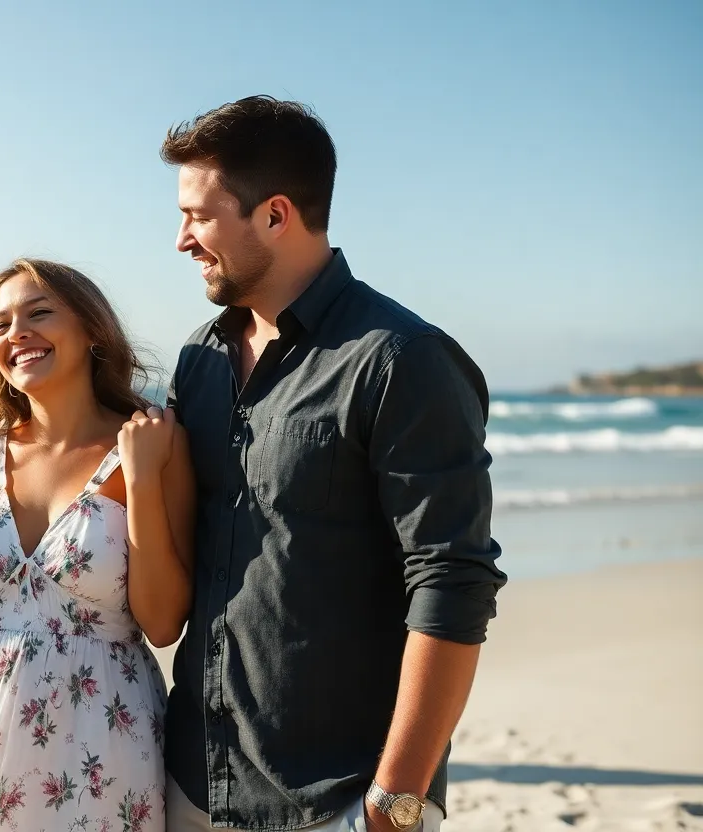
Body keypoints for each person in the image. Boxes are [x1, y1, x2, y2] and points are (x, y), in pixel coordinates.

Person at [158, 96, 508, 832]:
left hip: (340, 799)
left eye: (198, 215)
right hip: (193, 782)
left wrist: (397, 800)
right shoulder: (198, 360)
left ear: (276, 215)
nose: (181, 239)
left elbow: (453, 580)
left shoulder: (401, 362)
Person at [0, 259, 194, 831]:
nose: (15, 333)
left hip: (100, 732)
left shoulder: (148, 445)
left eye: (38, 313)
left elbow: (163, 622)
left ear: (93, 329)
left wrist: (144, 479)